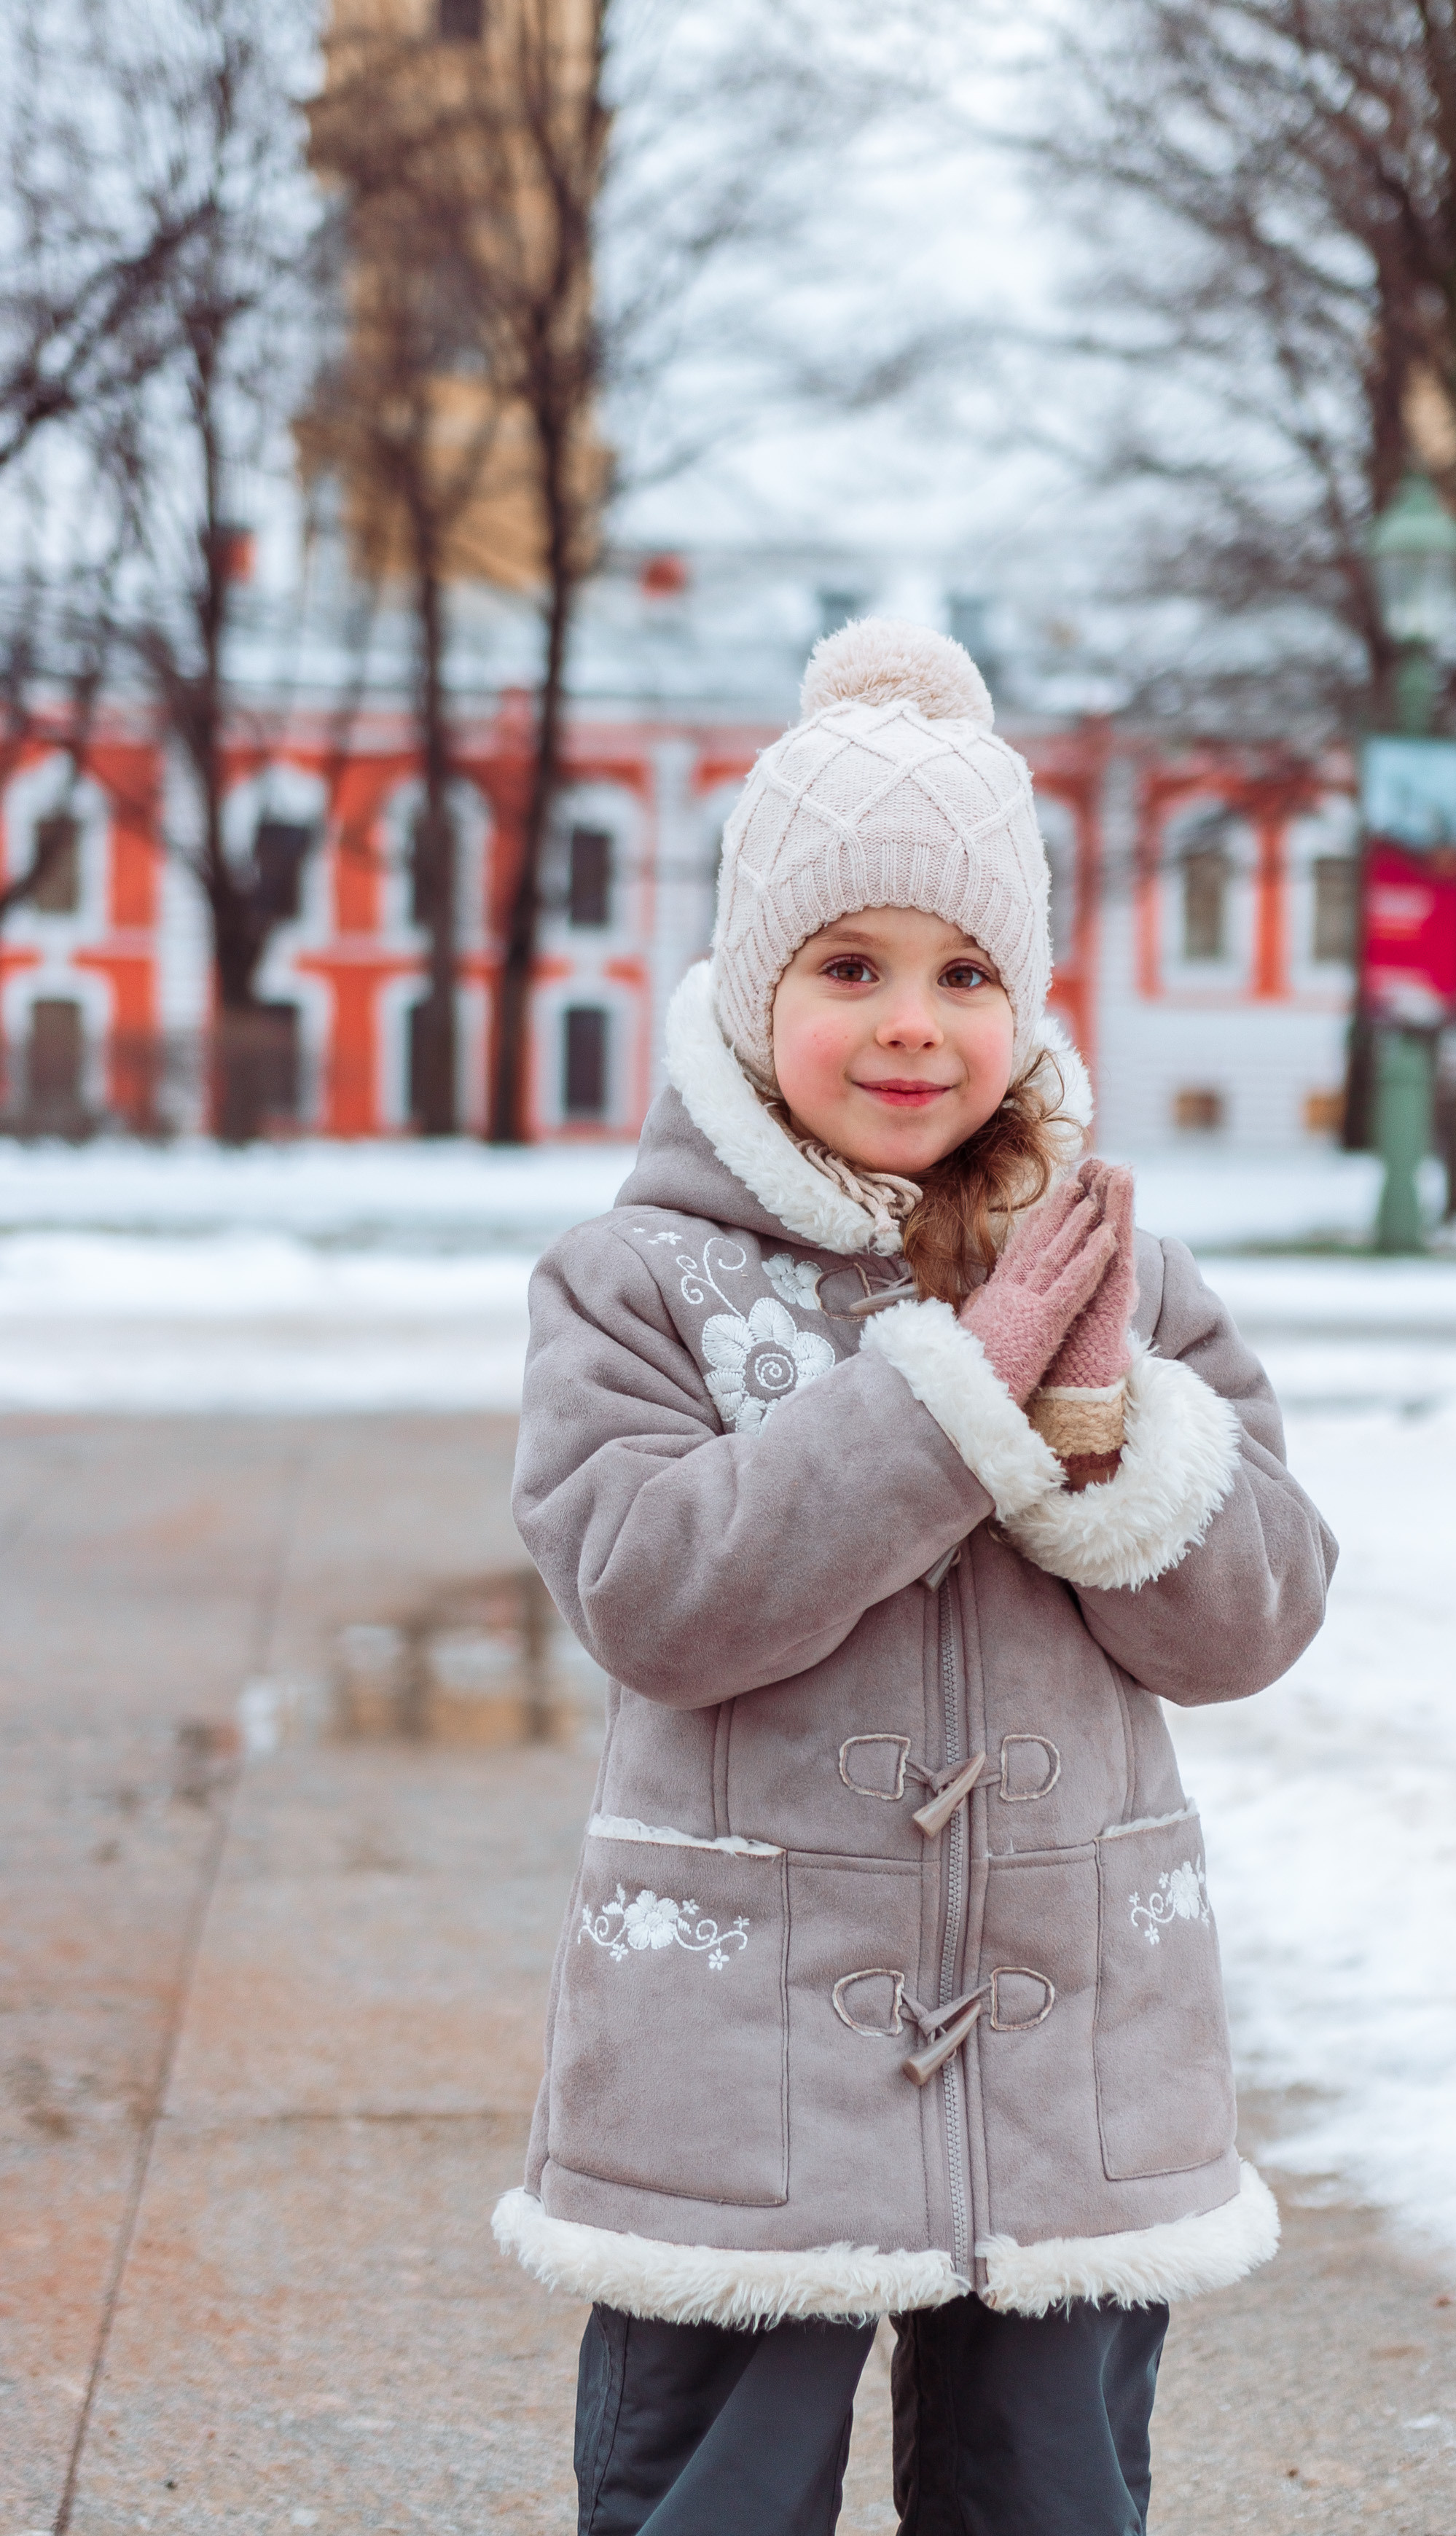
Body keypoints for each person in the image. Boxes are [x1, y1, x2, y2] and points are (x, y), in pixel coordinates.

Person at [495, 617, 1337, 2535]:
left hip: (1071, 2048)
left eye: (967, 972)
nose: (910, 1023)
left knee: (1048, 2494)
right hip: (743, 2055)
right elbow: (652, 1591)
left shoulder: (1124, 1273)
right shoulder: (637, 1283)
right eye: (850, 965)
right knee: (711, 2495)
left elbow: (1262, 1616)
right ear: (749, 989)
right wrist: (948, 1404)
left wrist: (1110, 1424)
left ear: (1026, 999)